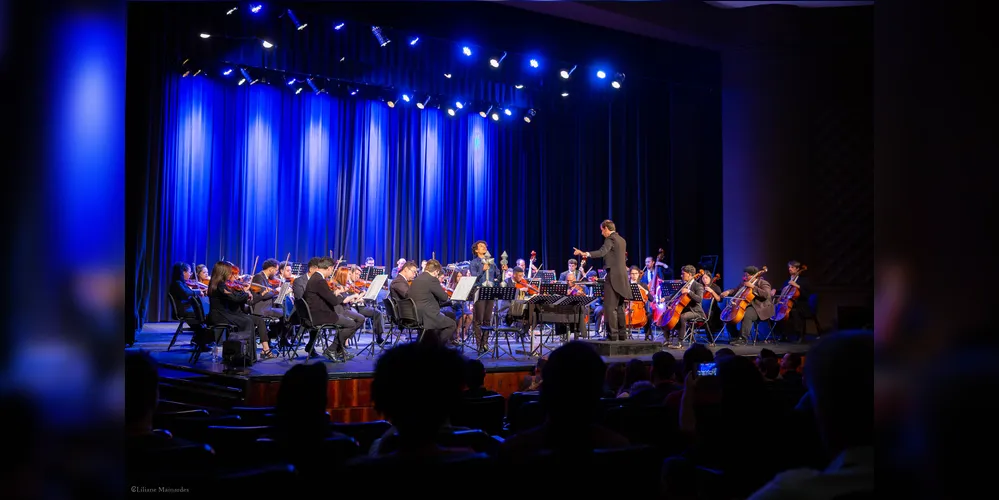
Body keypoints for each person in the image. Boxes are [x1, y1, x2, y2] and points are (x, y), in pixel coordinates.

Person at [206, 261, 276, 359]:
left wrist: (245, 293)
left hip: (225, 313)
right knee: (247, 321)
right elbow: (234, 298)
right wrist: (246, 293)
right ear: (223, 272)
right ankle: (245, 355)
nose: (233, 275)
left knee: (250, 320)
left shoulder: (219, 284)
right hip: (220, 315)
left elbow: (234, 298)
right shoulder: (220, 285)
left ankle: (249, 354)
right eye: (230, 272)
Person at [574, 220, 628, 340]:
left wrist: (585, 253)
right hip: (623, 277)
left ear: (606, 228)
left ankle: (612, 336)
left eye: (602, 230)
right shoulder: (622, 240)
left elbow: (602, 252)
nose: (602, 233)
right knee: (619, 307)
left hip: (613, 276)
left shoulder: (610, 239)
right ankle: (622, 335)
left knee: (609, 307)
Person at [303, 257, 359, 361]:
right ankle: (332, 349)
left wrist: (334, 294)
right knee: (351, 324)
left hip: (313, 314)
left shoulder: (314, 278)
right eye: (332, 270)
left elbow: (325, 297)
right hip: (320, 316)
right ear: (329, 268)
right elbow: (333, 301)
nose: (332, 272)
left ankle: (338, 350)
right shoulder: (320, 281)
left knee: (345, 321)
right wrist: (337, 293)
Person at [407, 259, 457, 344]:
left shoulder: (417, 279)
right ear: (436, 271)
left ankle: (430, 344)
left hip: (415, 314)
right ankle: (435, 347)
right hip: (427, 316)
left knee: (446, 315)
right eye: (438, 273)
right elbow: (444, 297)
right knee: (452, 324)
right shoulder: (432, 279)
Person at [721, 266, 774, 345]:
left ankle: (743, 339)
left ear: (753, 275)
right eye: (744, 275)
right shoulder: (744, 283)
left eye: (747, 275)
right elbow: (735, 290)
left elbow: (766, 295)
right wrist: (728, 292)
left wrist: (753, 287)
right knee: (730, 315)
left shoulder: (762, 283)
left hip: (761, 308)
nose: (744, 277)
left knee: (747, 314)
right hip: (748, 306)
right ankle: (735, 336)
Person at [167, 262, 212, 348]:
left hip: (186, 308)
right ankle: (201, 339)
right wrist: (198, 291)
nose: (191, 274)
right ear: (183, 272)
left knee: (204, 313)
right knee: (205, 315)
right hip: (183, 310)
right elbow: (186, 293)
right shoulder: (177, 283)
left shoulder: (180, 283)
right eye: (189, 272)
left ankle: (200, 339)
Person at [342, 265, 387, 345]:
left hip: (362, 306)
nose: (357, 276)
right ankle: (347, 338)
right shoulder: (347, 284)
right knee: (359, 317)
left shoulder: (358, 285)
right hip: (355, 307)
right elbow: (351, 300)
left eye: (359, 275)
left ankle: (379, 336)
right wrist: (360, 296)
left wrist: (365, 296)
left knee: (378, 312)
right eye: (356, 274)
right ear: (351, 273)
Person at [468, 240, 498, 352]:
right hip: (479, 291)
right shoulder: (474, 263)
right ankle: (479, 345)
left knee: (487, 319)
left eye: (485, 245)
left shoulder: (491, 262)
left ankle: (485, 343)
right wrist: (482, 269)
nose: (484, 247)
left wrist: (503, 271)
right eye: (481, 246)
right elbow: (474, 278)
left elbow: (498, 276)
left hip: (490, 292)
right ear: (476, 250)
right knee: (478, 319)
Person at [773, 260, 813, 342]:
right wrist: (775, 291)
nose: (790, 269)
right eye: (789, 267)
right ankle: (782, 334)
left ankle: (800, 335)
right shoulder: (787, 281)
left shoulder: (803, 281)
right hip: (788, 303)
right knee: (775, 311)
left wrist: (797, 286)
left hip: (800, 304)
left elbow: (807, 294)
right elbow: (783, 291)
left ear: (798, 269)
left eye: (792, 267)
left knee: (795, 311)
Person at [672, 265, 707, 341]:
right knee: (671, 315)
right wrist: (664, 299)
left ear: (690, 274)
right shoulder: (683, 285)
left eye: (683, 273)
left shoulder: (698, 285)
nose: (681, 275)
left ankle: (680, 342)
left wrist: (689, 291)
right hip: (686, 310)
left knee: (683, 317)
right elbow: (674, 295)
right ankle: (668, 340)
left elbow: (699, 299)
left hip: (696, 312)